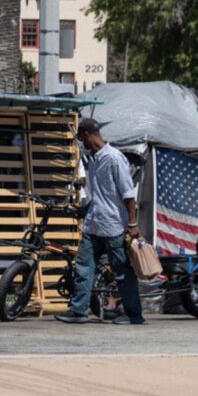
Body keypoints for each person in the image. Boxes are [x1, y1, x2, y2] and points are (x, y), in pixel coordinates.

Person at [56, 118, 145, 325]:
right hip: (93, 224)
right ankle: (79, 311)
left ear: (87, 134)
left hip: (114, 226)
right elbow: (101, 196)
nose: (81, 142)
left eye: (81, 138)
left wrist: (132, 225)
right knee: (84, 269)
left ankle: (134, 314)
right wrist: (84, 210)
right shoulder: (94, 160)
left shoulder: (114, 158)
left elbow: (128, 195)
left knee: (122, 272)